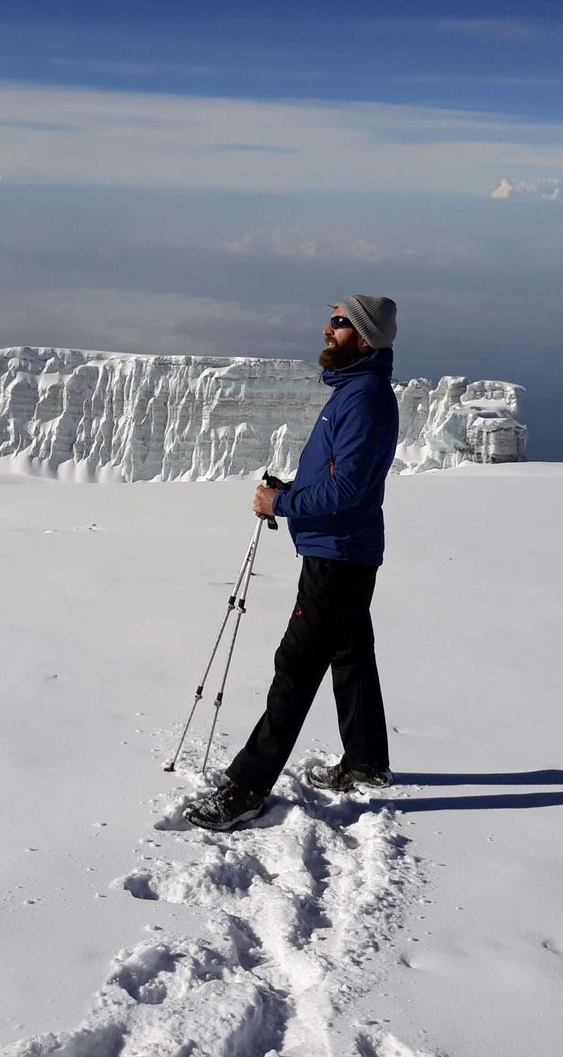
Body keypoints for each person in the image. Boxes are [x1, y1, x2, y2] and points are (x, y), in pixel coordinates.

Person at [184, 295, 400, 831]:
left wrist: (279, 503)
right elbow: (335, 475)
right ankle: (366, 761)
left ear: (365, 338)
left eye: (340, 323)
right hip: (344, 550)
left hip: (338, 555)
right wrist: (294, 489)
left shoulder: (364, 397)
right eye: (330, 319)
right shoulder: (356, 390)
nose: (327, 329)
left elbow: (348, 488)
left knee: (296, 667)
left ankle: (247, 788)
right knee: (350, 654)